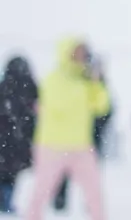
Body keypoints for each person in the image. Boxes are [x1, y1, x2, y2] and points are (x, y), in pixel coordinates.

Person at [22, 39, 110, 220]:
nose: (81, 56)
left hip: (81, 146)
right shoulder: (53, 79)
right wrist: (83, 85)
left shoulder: (87, 80)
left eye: (83, 52)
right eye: (77, 51)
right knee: (41, 193)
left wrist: (96, 82)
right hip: (52, 146)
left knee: (94, 194)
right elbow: (59, 105)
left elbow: (101, 107)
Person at [0, 58, 35, 215]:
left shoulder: (4, 86)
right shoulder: (31, 88)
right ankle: (6, 202)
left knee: (4, 173)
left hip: (4, 139)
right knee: (12, 174)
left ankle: (4, 201)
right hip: (20, 140)